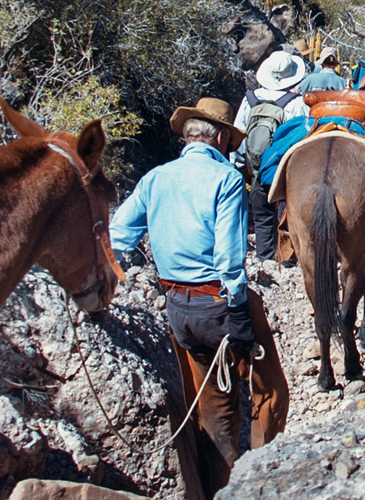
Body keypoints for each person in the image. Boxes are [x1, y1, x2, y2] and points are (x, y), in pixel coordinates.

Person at [110, 97, 289, 496]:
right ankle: (268, 479)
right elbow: (228, 259)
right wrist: (239, 311)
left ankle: (214, 485)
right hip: (219, 306)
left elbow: (117, 235)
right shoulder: (225, 179)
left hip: (177, 308)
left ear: (190, 135)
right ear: (222, 136)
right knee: (270, 391)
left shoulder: (155, 178)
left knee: (214, 408)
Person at [232, 50, 310, 263]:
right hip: (285, 170)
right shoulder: (295, 103)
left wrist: (241, 165)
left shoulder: (250, 99)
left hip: (256, 167)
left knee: (262, 215)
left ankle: (264, 257)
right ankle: (288, 258)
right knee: (286, 215)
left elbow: (239, 135)